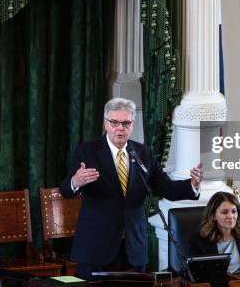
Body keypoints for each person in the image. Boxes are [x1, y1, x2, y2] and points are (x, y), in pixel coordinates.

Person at [60, 97, 203, 280]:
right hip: (97, 246)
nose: (120, 128)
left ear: (132, 125)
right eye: (115, 122)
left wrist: (192, 185)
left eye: (126, 123)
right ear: (106, 123)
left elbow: (165, 187)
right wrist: (76, 181)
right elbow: (65, 190)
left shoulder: (143, 153)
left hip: (134, 247)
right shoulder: (88, 151)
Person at [189, 191, 240, 274]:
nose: (231, 216)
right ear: (213, 216)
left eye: (234, 211)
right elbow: (195, 274)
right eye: (224, 212)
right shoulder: (198, 241)